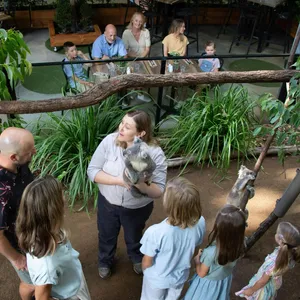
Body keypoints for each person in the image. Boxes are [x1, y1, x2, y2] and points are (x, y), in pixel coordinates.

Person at [87, 110, 167, 279]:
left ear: (141, 133)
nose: (120, 128)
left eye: (127, 126)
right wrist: (119, 180)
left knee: (135, 234)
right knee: (106, 233)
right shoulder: (110, 141)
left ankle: (136, 257)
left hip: (137, 207)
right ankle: (105, 260)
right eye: (122, 123)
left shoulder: (154, 152)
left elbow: (159, 190)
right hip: (108, 202)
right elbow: (92, 171)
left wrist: (141, 186)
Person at [16, 175, 91, 300]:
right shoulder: (47, 265)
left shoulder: (44, 230)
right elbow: (41, 298)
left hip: (71, 283)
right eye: (60, 195)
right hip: (70, 295)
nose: (64, 198)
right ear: (52, 209)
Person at [140, 177, 206, 300]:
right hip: (180, 276)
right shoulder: (201, 222)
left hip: (157, 279)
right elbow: (196, 246)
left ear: (168, 205)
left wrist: (146, 272)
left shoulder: (155, 232)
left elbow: (147, 262)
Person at [0, 127, 36, 300]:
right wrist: (16, 259)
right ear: (13, 157)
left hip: (32, 231)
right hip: (19, 244)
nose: (34, 152)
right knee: (31, 284)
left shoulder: (18, 164)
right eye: (30, 152)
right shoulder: (2, 189)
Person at [183, 204, 247, 300]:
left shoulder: (210, 253)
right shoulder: (241, 244)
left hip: (208, 286)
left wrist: (197, 261)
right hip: (223, 280)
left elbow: (201, 273)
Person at [236, 222, 300, 300]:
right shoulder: (290, 253)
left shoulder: (273, 262)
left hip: (263, 288)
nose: (275, 234)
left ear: (280, 241)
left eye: (277, 233)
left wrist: (251, 290)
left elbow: (262, 281)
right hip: (274, 283)